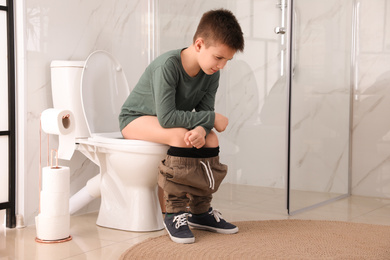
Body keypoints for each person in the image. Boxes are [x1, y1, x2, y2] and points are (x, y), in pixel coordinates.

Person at [119, 8, 244, 244]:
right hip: (135, 119)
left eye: (227, 60)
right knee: (179, 136)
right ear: (199, 45)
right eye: (218, 57)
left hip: (168, 122)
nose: (222, 65)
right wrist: (211, 119)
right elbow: (167, 118)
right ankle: (174, 212)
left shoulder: (211, 73)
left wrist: (201, 129)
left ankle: (200, 210)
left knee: (212, 139)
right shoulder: (168, 66)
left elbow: (203, 114)